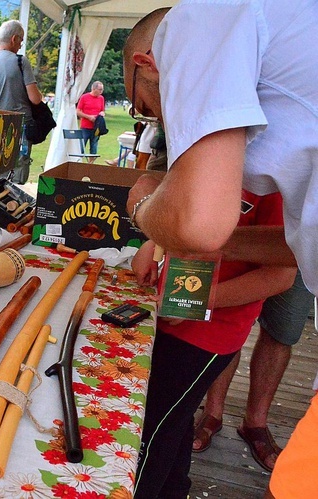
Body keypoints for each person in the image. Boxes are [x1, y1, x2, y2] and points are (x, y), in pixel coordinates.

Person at [122, 3, 318, 497]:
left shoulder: (199, 19)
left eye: (145, 106)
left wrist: (144, 207)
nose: (160, 120)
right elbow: (277, 244)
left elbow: (200, 224)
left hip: (211, 332)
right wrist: (163, 233)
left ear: (149, 64)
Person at [131, 190, 295, 498]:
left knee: (150, 431)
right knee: (175, 420)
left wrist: (202, 302)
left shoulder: (278, 184)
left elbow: (281, 275)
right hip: (171, 314)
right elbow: (180, 214)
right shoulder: (207, 153)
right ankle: (173, 490)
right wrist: (152, 243)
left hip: (210, 333)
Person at [193, 271, 314, 472]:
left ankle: (255, 423)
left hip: (299, 252)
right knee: (229, 322)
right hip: (246, 243)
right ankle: (212, 411)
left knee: (282, 332)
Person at [0, 20, 44, 184]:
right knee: (17, 177)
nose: (20, 45)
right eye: (21, 40)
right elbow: (35, 98)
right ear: (14, 38)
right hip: (20, 128)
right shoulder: (20, 61)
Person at [76, 81, 105, 155]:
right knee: (81, 147)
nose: (101, 91)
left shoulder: (101, 98)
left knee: (94, 148)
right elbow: (78, 111)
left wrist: (102, 113)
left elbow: (102, 110)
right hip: (85, 127)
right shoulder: (84, 97)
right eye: (100, 89)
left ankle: (91, 164)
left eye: (102, 89)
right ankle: (78, 162)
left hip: (96, 127)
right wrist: (88, 117)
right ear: (94, 89)